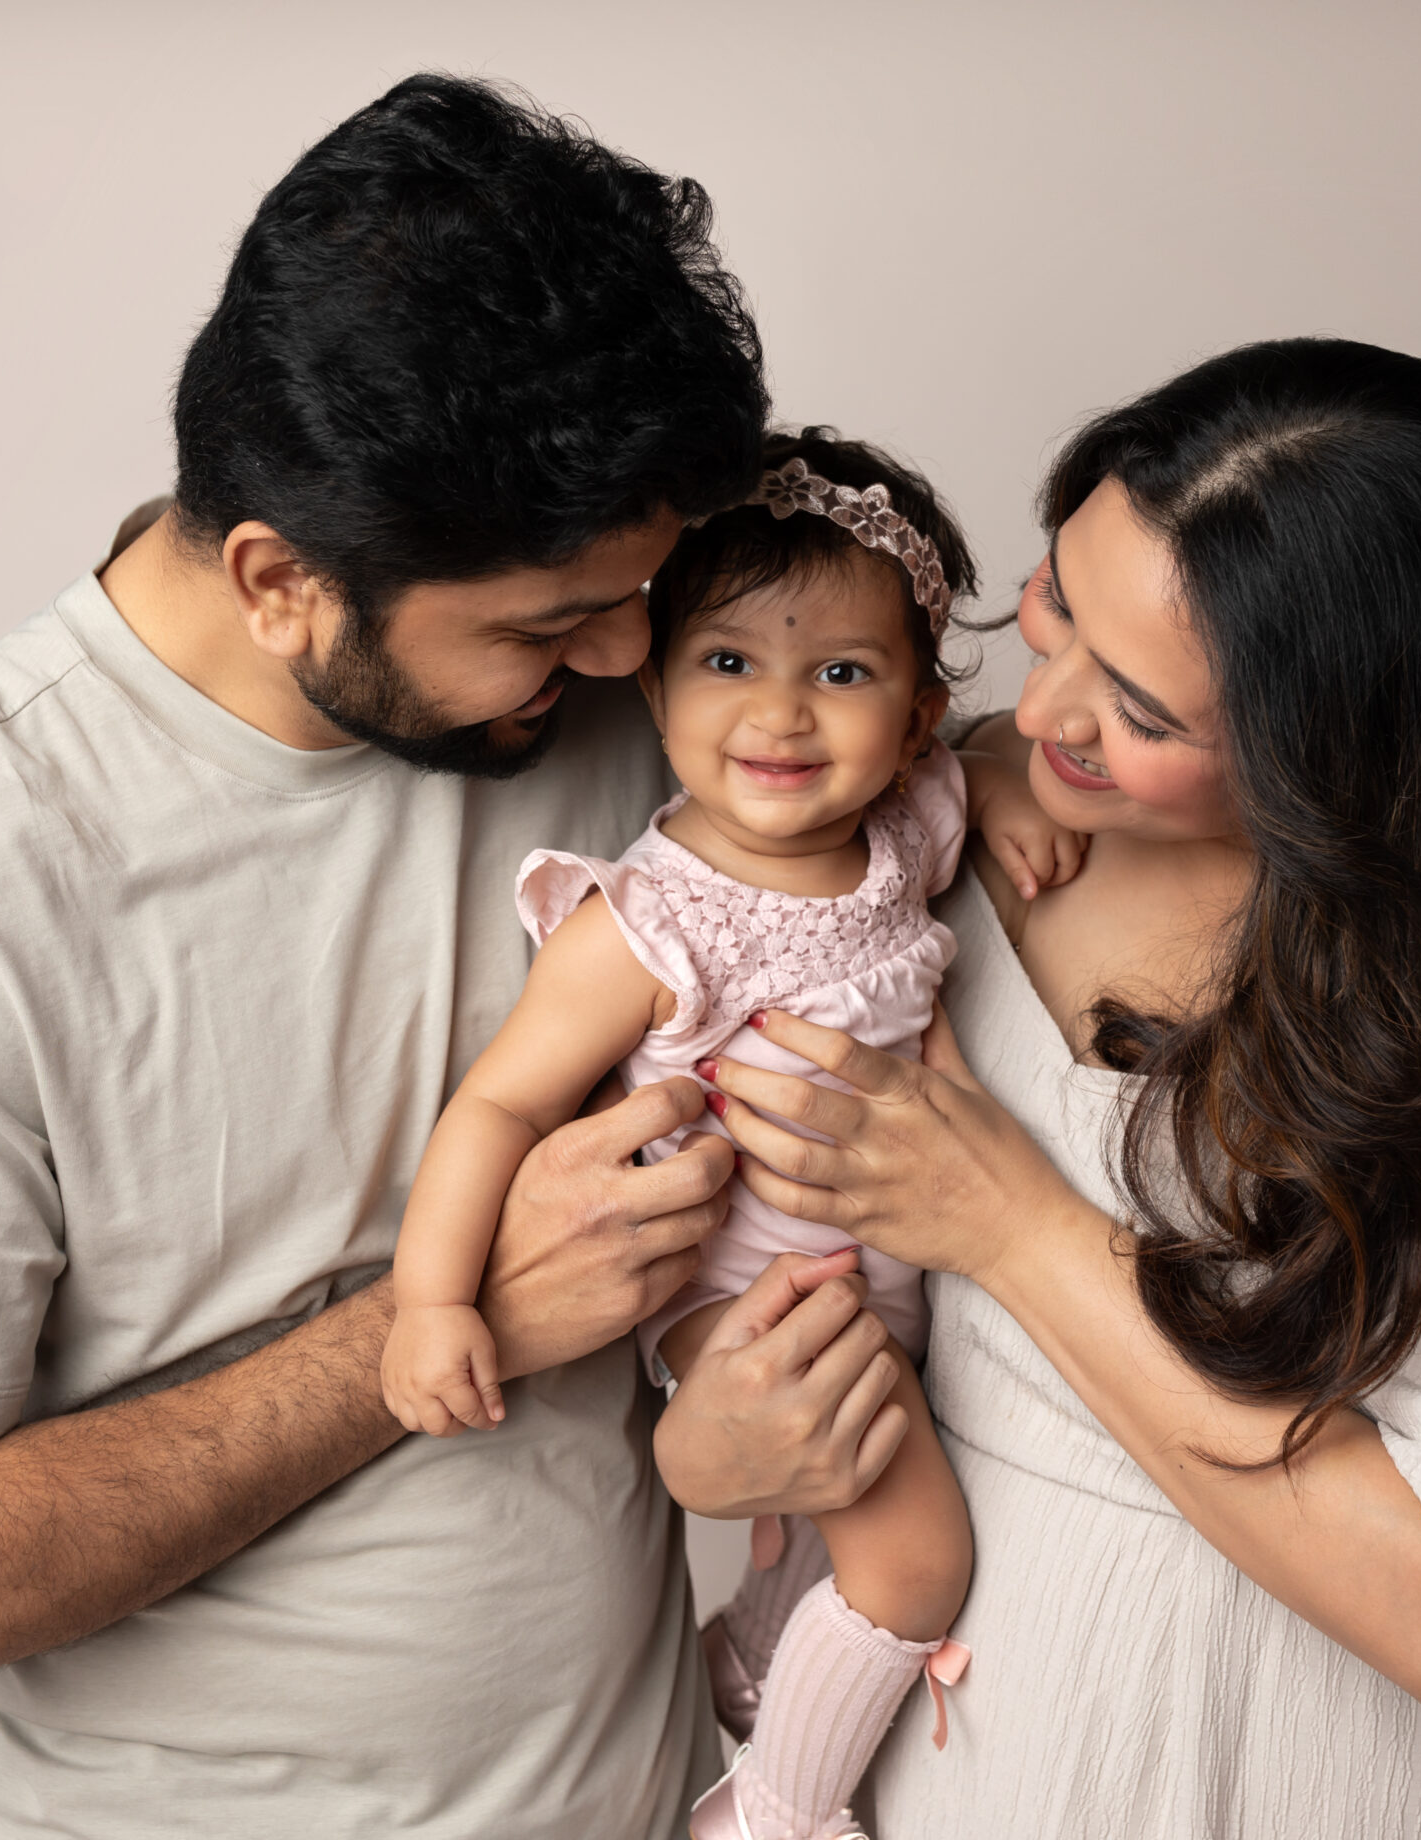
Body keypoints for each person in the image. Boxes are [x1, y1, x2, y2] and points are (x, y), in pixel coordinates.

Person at [0, 76, 907, 1839]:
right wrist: (448, 1323)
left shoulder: (624, 682)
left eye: (641, 604)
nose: (626, 671)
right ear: (283, 582)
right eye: (549, 626)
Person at [691, 340, 1421, 1835]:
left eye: (1142, 712)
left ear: (1339, 741)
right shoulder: (929, 821)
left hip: (1257, 1772)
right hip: (896, 1760)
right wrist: (708, 1434)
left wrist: (1013, 1225)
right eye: (1057, 610)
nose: (1051, 710)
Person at [378, 431, 1080, 1840]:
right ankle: (773, 1813)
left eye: (841, 673)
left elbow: (977, 775)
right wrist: (429, 1298)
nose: (782, 715)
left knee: (835, 1537)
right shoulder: (648, 918)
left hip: (891, 1277)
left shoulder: (908, 828)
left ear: (918, 720)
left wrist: (1003, 791)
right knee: (918, 1560)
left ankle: (763, 1653)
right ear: (651, 680)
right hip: (747, 1303)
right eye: (728, 663)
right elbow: (501, 1105)